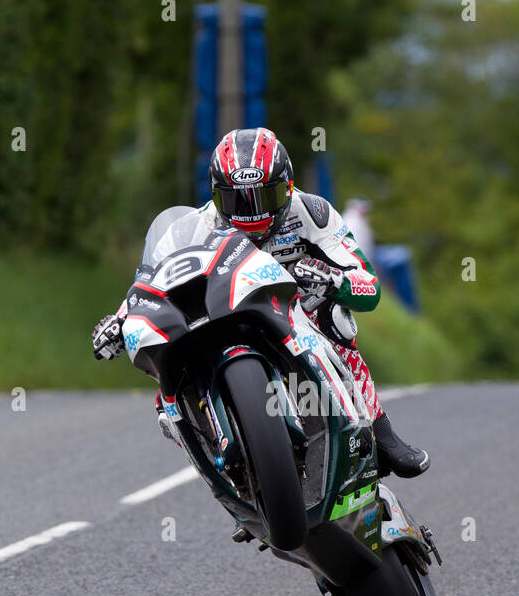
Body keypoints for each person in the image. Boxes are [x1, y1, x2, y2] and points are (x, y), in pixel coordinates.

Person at [94, 126, 428, 478]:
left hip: (292, 313)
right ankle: (213, 453)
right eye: (237, 201)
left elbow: (369, 284)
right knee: (166, 367)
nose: (251, 214)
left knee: (335, 317)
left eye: (263, 198)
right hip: (219, 314)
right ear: (214, 194)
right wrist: (121, 319)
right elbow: (148, 284)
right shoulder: (190, 228)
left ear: (287, 187)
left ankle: (380, 430)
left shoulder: (314, 212)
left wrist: (335, 280)